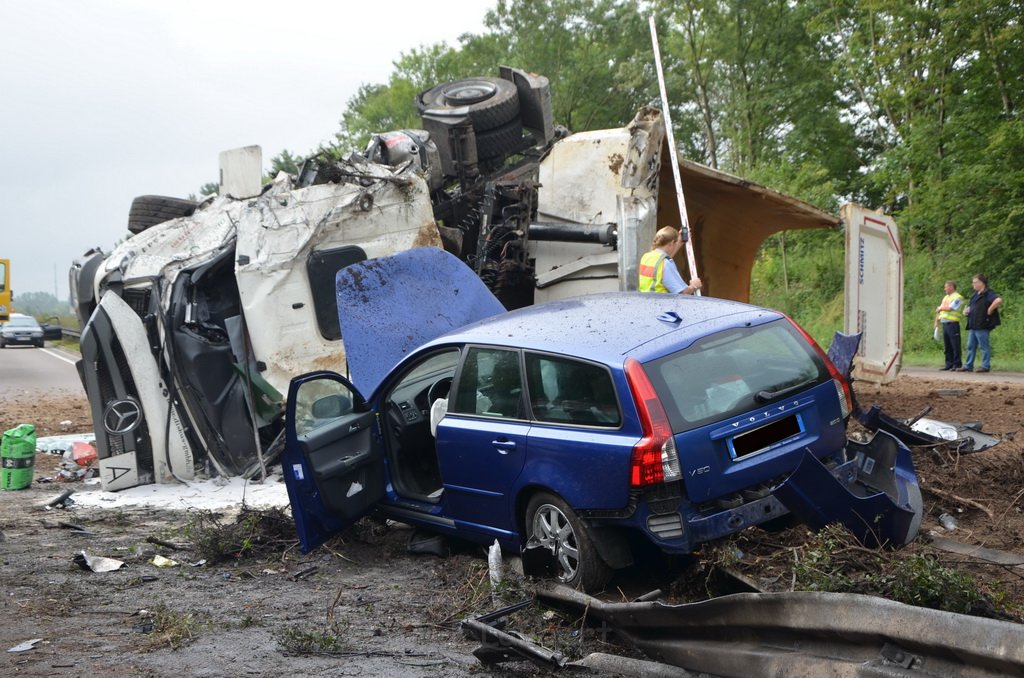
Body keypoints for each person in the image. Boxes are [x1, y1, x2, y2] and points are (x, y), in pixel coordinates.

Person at [958, 274, 1003, 373]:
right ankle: (968, 365)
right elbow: (970, 307)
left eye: (974, 282)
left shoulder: (988, 293)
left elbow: (998, 300)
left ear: (981, 283)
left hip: (982, 324)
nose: (973, 284)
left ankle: (985, 366)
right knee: (970, 346)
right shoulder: (975, 295)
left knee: (983, 346)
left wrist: (990, 310)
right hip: (973, 324)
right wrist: (966, 311)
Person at [638, 226, 702, 294]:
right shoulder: (665, 263)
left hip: (646, 301)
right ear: (672, 243)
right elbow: (682, 293)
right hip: (662, 303)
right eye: (675, 243)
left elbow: (665, 258)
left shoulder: (646, 256)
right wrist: (694, 286)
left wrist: (679, 242)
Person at [934, 280, 964, 371]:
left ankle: (957, 364)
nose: (944, 289)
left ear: (951, 287)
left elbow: (951, 308)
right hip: (944, 323)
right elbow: (939, 310)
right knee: (947, 345)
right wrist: (936, 321)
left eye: (946, 287)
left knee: (955, 345)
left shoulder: (958, 297)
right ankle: (949, 363)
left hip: (953, 323)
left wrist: (940, 308)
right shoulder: (945, 297)